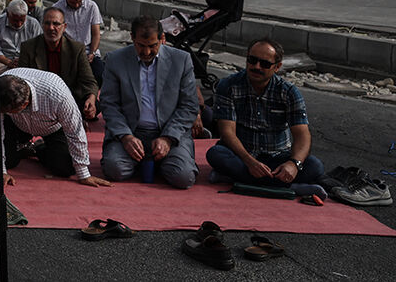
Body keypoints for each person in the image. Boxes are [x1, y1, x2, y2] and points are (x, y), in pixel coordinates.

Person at [206, 38, 325, 189]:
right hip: (242, 155)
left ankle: (239, 179)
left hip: (277, 157)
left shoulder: (288, 92)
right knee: (216, 153)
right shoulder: (228, 85)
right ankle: (286, 187)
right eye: (252, 60)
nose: (256, 67)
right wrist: (249, 162)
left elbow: (302, 134)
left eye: (265, 64)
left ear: (277, 67)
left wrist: (294, 164)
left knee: (315, 166)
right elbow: (227, 132)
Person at [99, 16, 199, 189]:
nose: (146, 53)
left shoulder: (181, 60)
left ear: (163, 39)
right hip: (131, 130)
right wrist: (125, 137)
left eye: (153, 46)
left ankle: (162, 159)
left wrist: (168, 138)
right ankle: (147, 160)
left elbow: (189, 106)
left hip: (169, 131)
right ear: (132, 38)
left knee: (183, 177)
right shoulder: (115, 60)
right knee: (115, 169)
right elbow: (109, 104)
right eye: (141, 46)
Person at [0, 69, 110, 187]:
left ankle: (38, 148)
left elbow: (75, 132)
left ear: (25, 104)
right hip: (17, 124)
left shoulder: (58, 95)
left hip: (52, 127)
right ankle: (24, 146)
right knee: (9, 161)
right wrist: (0, 171)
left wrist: (84, 175)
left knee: (65, 168)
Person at [18, 6, 98, 119]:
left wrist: (91, 98)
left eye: (56, 24)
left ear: (64, 27)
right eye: (47, 23)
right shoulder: (28, 47)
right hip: (39, 98)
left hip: (68, 96)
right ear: (42, 25)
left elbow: (89, 80)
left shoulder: (76, 48)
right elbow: (21, 80)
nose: (51, 28)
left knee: (94, 105)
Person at [52, 0, 104, 83]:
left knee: (100, 75)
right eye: (72, 2)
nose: (76, 5)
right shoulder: (57, 9)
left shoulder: (91, 6)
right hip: (67, 53)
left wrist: (92, 53)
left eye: (79, 2)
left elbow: (96, 34)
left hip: (89, 51)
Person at [0, 0, 42, 69]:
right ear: (7, 14)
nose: (19, 24)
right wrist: (8, 62)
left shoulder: (33, 24)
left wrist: (24, 61)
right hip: (2, 62)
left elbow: (38, 47)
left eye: (22, 20)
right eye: (15, 20)